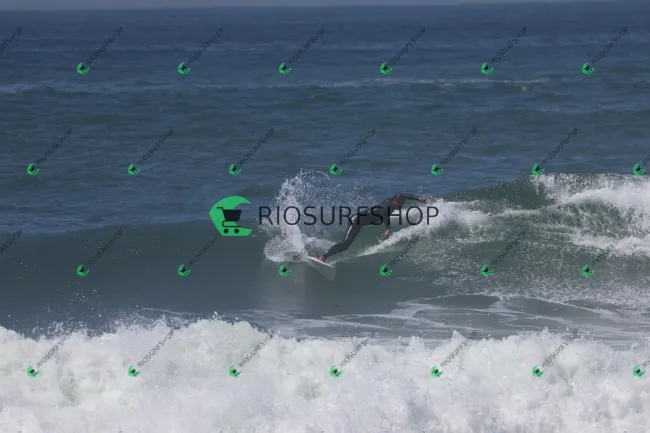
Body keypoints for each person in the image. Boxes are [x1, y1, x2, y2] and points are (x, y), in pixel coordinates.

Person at [316, 193, 432, 263]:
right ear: (394, 201)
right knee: (345, 243)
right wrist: (388, 228)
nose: (400, 206)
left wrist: (420, 198)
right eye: (399, 204)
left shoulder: (394, 201)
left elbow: (405, 194)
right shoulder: (388, 205)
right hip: (356, 220)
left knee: (346, 246)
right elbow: (384, 215)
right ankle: (323, 256)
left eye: (401, 204)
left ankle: (323, 256)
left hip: (359, 223)